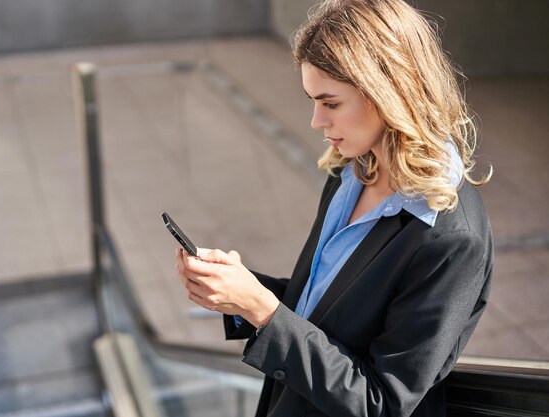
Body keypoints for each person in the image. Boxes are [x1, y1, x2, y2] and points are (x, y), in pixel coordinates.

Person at [174, 0, 493, 416]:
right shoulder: (351, 171)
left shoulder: (450, 240)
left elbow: (383, 403)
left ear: (389, 92)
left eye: (331, 103)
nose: (315, 121)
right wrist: (239, 293)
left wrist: (262, 309)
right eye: (313, 101)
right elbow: (326, 309)